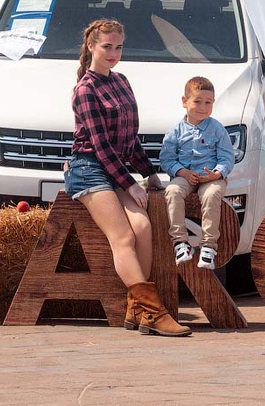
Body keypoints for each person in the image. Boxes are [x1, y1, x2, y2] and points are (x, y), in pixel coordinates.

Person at [66, 18, 191, 337]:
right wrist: (130, 183)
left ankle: (137, 309)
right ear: (91, 46)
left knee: (143, 228)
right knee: (122, 237)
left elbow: (129, 139)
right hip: (87, 169)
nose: (113, 53)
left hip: (114, 168)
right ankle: (153, 312)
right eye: (107, 46)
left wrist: (149, 173)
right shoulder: (85, 89)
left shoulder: (121, 81)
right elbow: (100, 146)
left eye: (119, 47)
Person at [160, 76, 234, 270]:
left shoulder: (217, 129)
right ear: (185, 101)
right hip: (185, 177)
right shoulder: (175, 131)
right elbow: (166, 159)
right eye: (197, 101)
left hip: (211, 178)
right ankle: (180, 242)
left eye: (208, 102)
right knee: (172, 191)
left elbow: (227, 157)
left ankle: (209, 245)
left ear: (213, 103)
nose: (203, 107)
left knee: (211, 195)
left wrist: (217, 174)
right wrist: (182, 172)